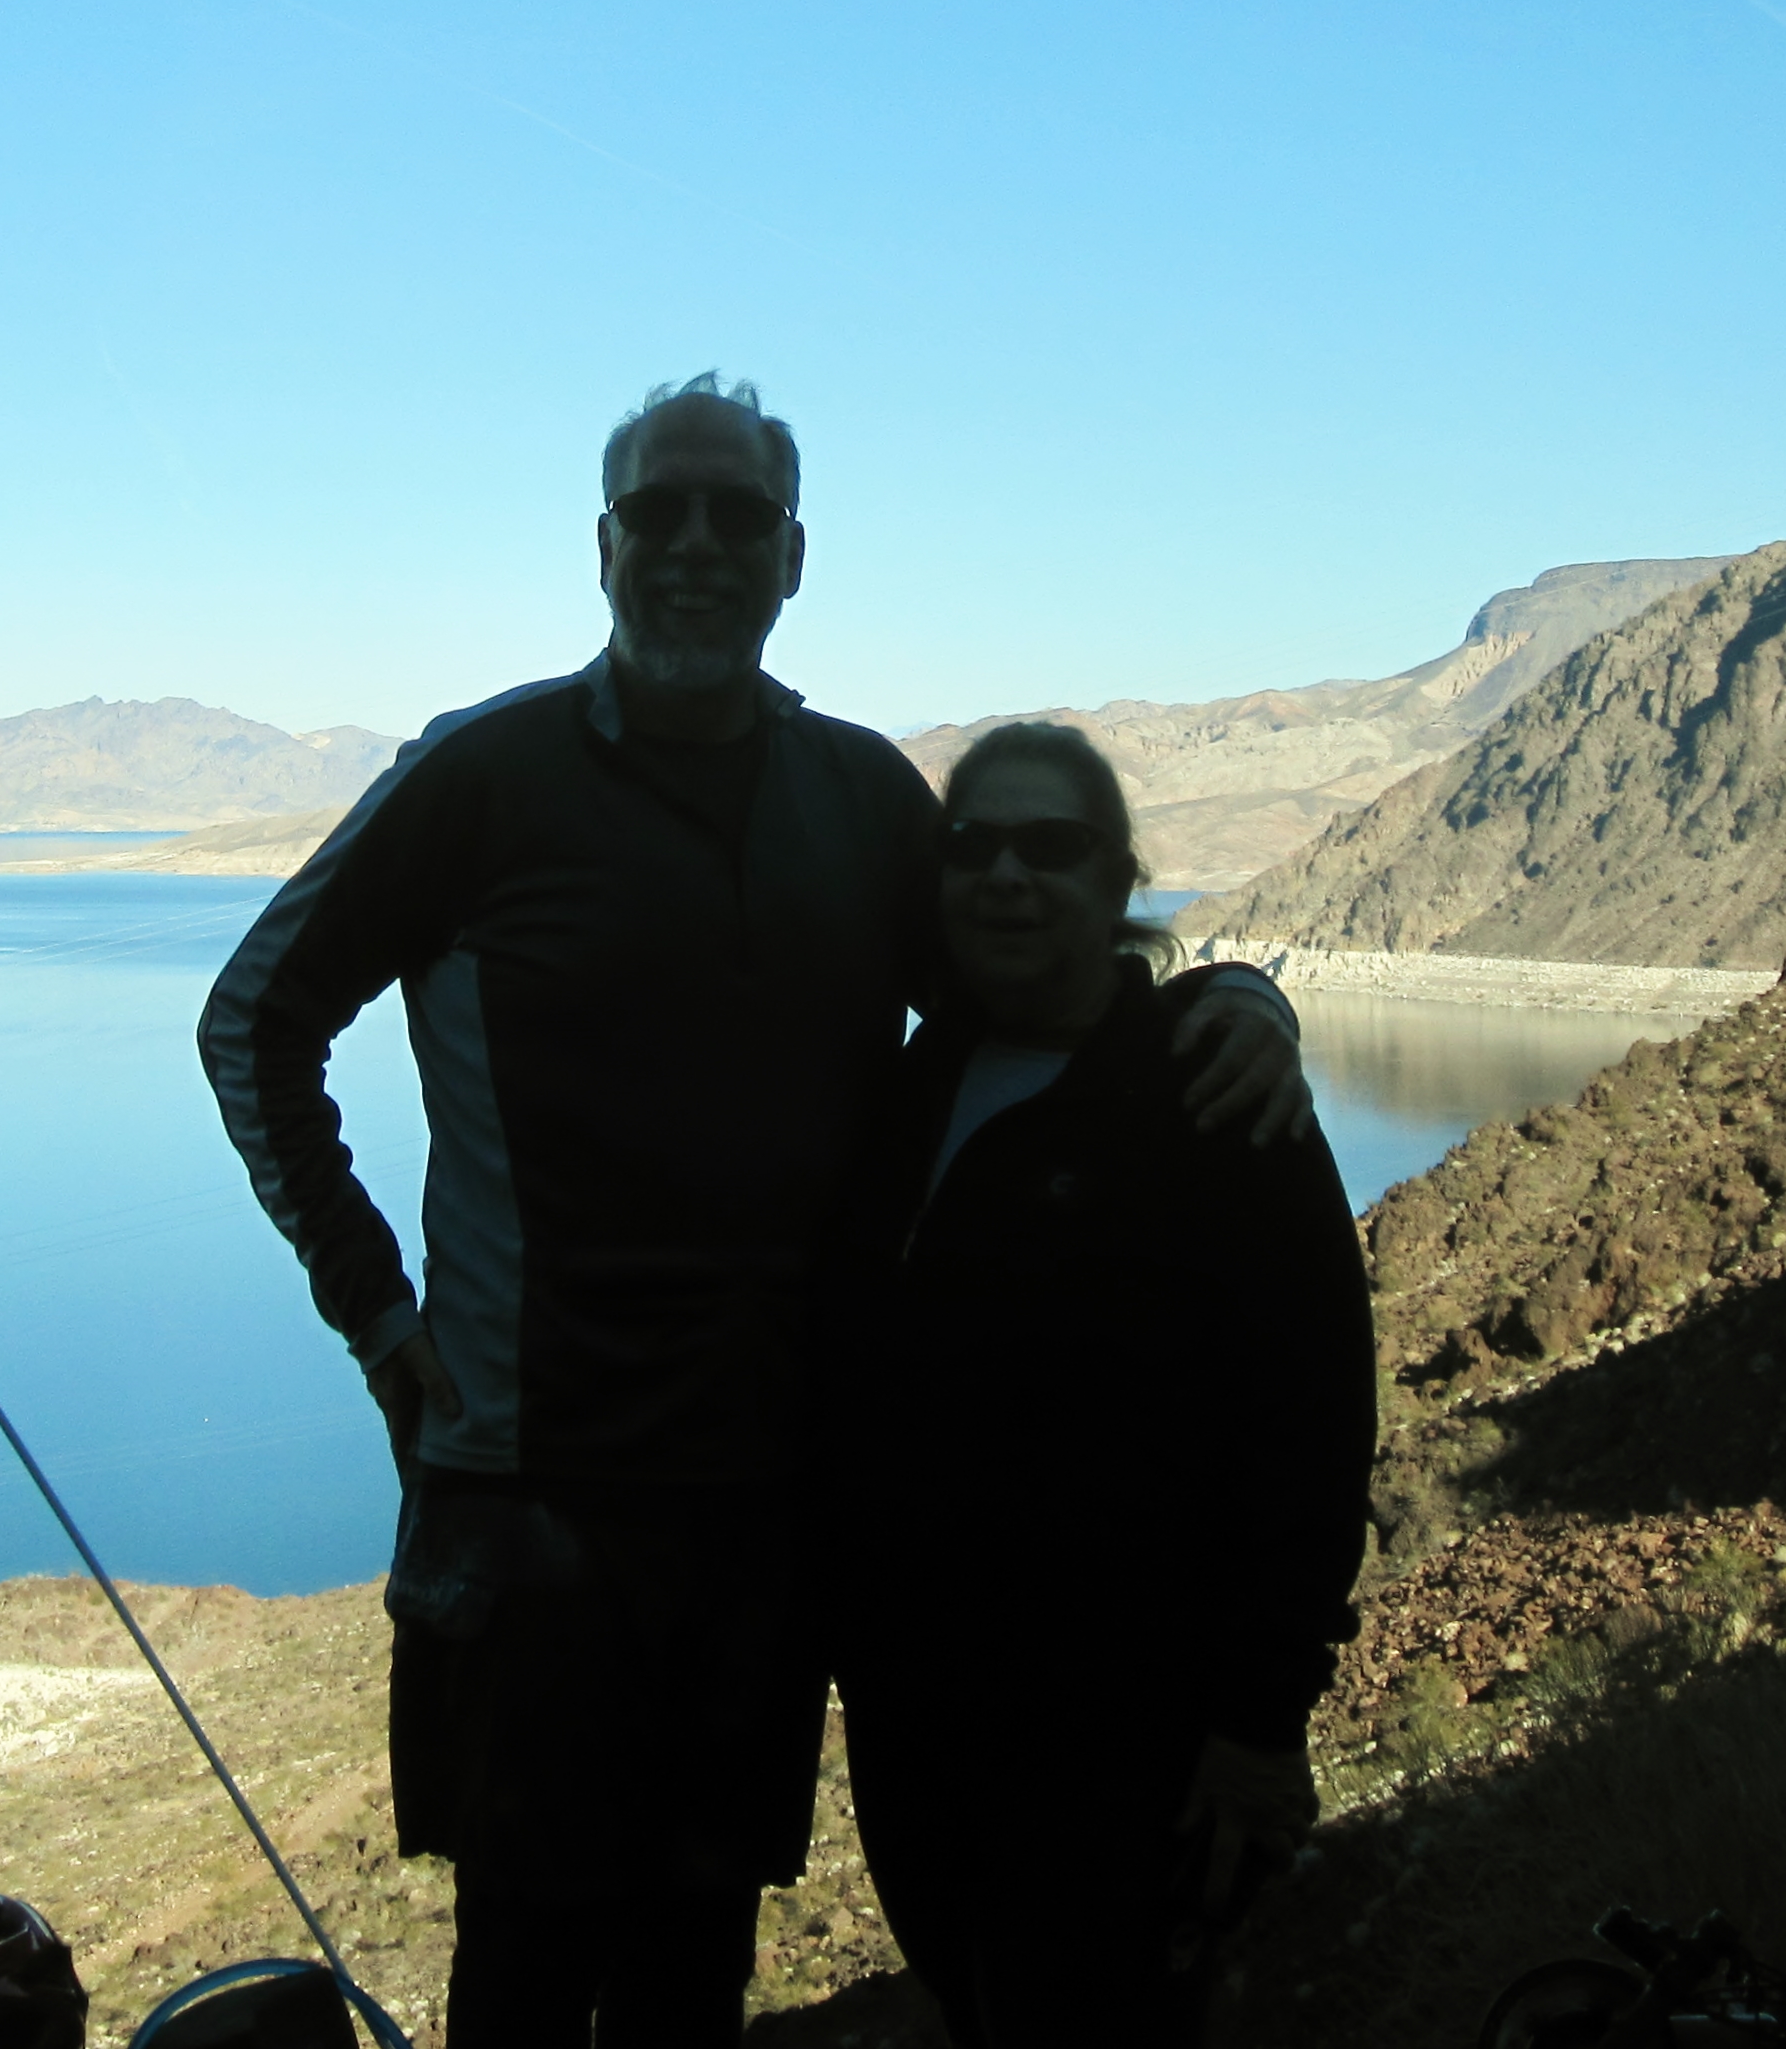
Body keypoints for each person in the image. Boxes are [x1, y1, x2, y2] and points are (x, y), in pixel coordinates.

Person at [200, 376, 1309, 2049]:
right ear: (604, 547)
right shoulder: (481, 776)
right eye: (662, 511)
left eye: (739, 516)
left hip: (774, 1510)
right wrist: (371, 1303)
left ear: (794, 557)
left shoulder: (863, 805)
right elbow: (254, 1022)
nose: (697, 546)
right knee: (516, 1963)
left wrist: (1239, 998)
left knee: (690, 1970)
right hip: (528, 1501)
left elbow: (1039, 979)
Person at [829, 720, 1375, 2049]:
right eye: (973, 846)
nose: (1006, 876)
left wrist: (1257, 1720)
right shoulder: (906, 1091)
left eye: (1050, 846)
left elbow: (1309, 1425)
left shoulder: (1209, 1100)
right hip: (917, 1724)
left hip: (1128, 1740)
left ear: (1117, 877)